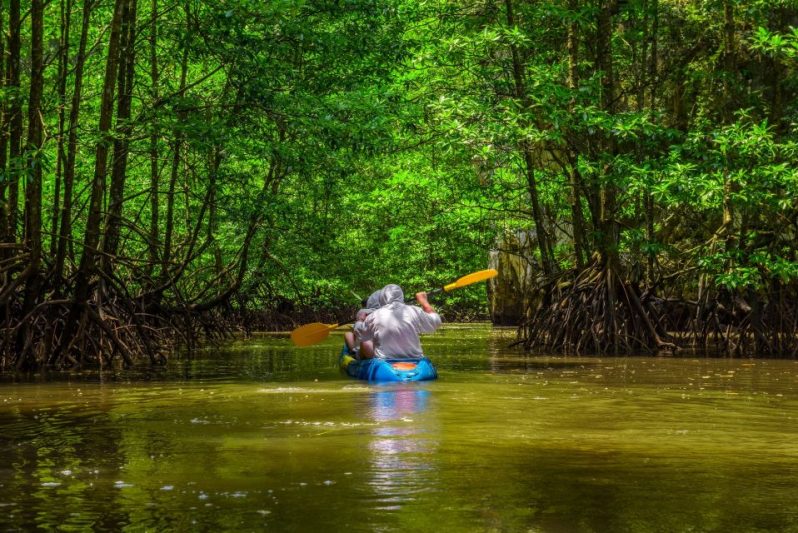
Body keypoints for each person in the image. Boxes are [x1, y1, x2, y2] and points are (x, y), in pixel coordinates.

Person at [358, 284, 441, 359]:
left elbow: (361, 335)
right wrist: (424, 302)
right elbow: (436, 321)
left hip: (385, 362)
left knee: (364, 341)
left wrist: (360, 320)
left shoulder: (374, 315)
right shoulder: (415, 311)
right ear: (401, 296)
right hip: (415, 360)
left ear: (382, 298)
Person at [344, 290, 381, 357]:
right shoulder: (386, 312)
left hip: (364, 348)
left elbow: (357, 330)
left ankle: (353, 351)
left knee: (348, 334)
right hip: (379, 348)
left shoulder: (362, 312)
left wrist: (359, 321)